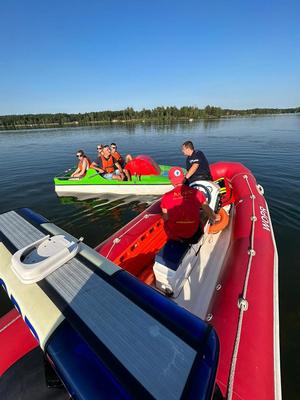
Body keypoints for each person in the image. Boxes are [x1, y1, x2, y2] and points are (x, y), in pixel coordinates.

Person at [161, 166, 219, 241]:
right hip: (194, 236)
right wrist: (215, 217)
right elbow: (208, 211)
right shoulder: (197, 193)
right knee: (203, 213)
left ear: (170, 180)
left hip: (175, 236)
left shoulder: (166, 197)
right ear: (183, 179)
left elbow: (166, 217)